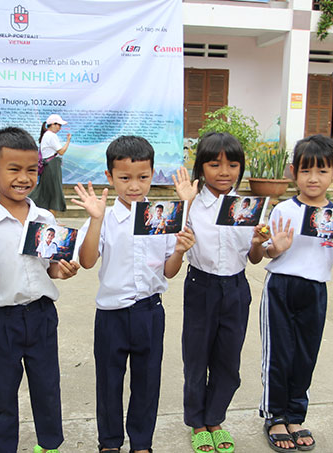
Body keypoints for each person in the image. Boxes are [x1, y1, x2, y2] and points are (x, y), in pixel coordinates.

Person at [73, 135, 196, 453]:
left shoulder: (163, 219)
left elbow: (169, 271)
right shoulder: (106, 218)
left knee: (147, 381)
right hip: (111, 315)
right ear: (109, 177)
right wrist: (95, 220)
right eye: (124, 178)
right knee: (109, 382)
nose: (134, 185)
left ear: (153, 174)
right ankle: (109, 443)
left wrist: (180, 251)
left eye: (142, 177)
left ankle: (142, 443)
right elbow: (87, 262)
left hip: (150, 312)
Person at [0, 127, 80, 453]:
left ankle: (50, 445)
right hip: (2, 319)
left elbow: (50, 267)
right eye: (14, 169)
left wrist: (62, 270)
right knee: (0, 391)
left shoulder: (45, 217)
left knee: (47, 385)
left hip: (42, 315)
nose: (24, 178)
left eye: (31, 170)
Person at [258, 134, 333, 452]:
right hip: (281, 288)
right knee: (279, 355)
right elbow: (268, 252)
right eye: (305, 171)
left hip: (315, 291)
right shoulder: (283, 210)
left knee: (305, 355)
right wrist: (276, 247)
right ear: (293, 172)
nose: (313, 179)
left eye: (322, 171)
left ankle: (295, 416)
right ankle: (275, 416)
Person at [171, 132, 270, 453]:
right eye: (214, 164)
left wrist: (257, 242)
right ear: (201, 167)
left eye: (232, 164)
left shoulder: (248, 207)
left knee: (228, 362)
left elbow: (254, 258)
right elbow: (174, 242)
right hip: (201, 287)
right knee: (196, 359)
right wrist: (184, 202)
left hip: (237, 289)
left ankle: (215, 419)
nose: (224, 172)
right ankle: (197, 424)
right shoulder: (193, 205)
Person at [29, 114, 72, 215]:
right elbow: (61, 151)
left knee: (46, 192)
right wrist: (68, 141)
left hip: (49, 165)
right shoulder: (51, 136)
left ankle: (49, 219)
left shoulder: (47, 135)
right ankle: (52, 220)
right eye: (59, 125)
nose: (60, 128)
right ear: (53, 124)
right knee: (54, 193)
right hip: (52, 166)